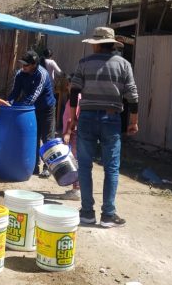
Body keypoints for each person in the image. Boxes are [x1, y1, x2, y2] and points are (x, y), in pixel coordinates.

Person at [69, 27, 138, 228]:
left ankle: (87, 213)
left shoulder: (84, 64)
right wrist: (133, 121)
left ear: (97, 44)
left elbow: (74, 92)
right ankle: (108, 215)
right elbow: (132, 96)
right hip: (111, 118)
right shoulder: (124, 65)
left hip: (87, 118)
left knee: (84, 166)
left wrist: (72, 118)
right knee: (111, 168)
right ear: (112, 44)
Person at [7, 50, 56, 177]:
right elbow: (15, 92)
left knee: (47, 138)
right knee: (34, 138)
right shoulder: (20, 74)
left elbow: (34, 95)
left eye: (26, 65)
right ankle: (34, 166)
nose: (23, 67)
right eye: (22, 64)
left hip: (46, 109)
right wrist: (8, 103)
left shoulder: (42, 74)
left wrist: (21, 108)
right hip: (31, 110)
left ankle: (48, 167)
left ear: (34, 64)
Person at [61, 76, 81, 201]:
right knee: (75, 161)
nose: (68, 87)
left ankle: (76, 190)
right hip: (74, 133)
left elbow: (71, 119)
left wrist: (67, 133)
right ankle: (76, 188)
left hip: (74, 134)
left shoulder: (75, 100)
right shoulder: (76, 99)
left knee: (74, 162)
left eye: (69, 85)